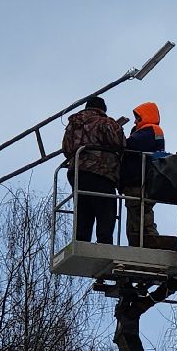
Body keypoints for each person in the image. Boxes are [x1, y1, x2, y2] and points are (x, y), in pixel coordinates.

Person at [61, 95, 123, 243]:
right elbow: (120, 143)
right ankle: (104, 243)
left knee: (83, 210)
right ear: (103, 109)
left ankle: (81, 242)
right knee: (105, 210)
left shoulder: (72, 124)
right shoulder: (105, 122)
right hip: (101, 172)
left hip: (77, 173)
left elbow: (66, 148)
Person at [120, 101, 173, 249]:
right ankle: (139, 246)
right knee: (136, 217)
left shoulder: (151, 130)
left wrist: (117, 133)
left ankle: (151, 246)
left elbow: (130, 144)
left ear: (146, 116)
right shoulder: (148, 131)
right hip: (139, 181)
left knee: (141, 216)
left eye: (138, 118)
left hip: (140, 181)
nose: (136, 121)